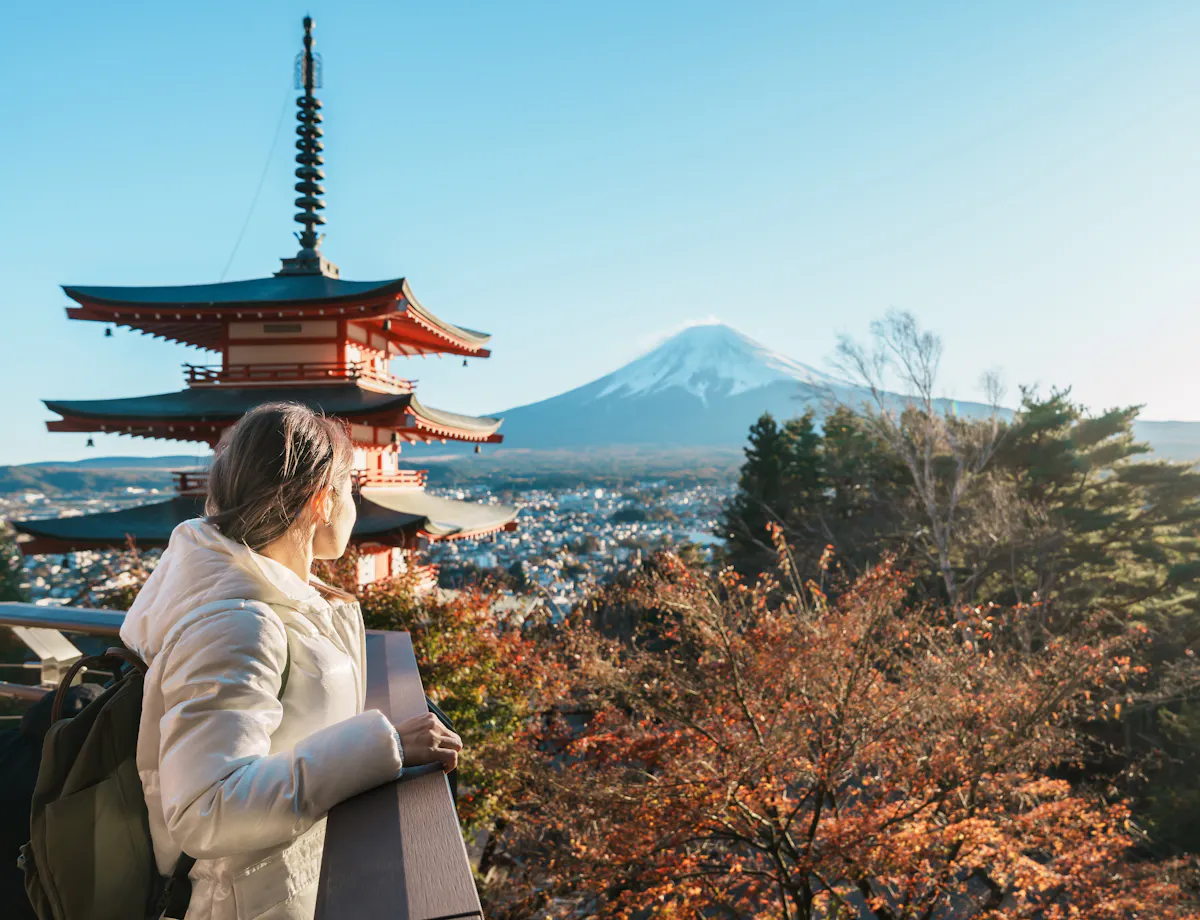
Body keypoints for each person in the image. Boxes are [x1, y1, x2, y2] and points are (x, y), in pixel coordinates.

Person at [119, 402, 462, 920]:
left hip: (277, 888)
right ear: (321, 500)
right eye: (351, 490)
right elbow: (205, 809)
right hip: (246, 902)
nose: (355, 507)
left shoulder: (275, 596)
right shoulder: (237, 622)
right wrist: (385, 744)